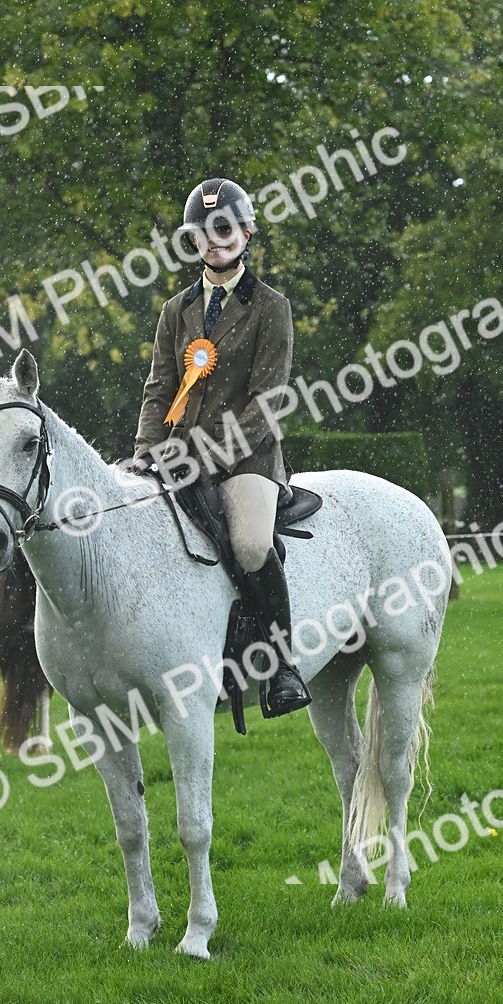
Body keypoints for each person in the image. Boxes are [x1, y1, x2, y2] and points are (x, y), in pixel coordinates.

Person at [133, 177, 311, 716]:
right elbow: (160, 389)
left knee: (251, 545)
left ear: (247, 232)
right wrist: (144, 453)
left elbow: (267, 400)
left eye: (225, 229)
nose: (215, 241)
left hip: (248, 458)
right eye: (203, 233)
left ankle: (282, 665)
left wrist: (208, 455)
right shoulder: (176, 310)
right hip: (177, 456)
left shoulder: (271, 307)